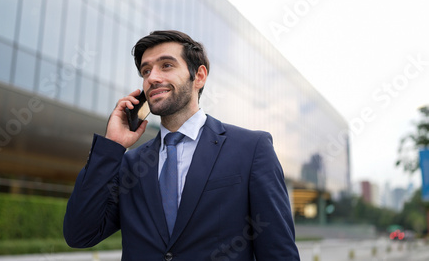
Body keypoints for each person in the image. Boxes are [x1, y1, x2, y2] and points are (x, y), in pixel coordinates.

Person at [63, 30, 300, 260]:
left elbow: (279, 251)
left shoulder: (251, 148)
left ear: (199, 76)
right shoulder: (129, 163)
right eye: (146, 71)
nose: (152, 78)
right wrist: (111, 146)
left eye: (166, 65)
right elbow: (79, 234)